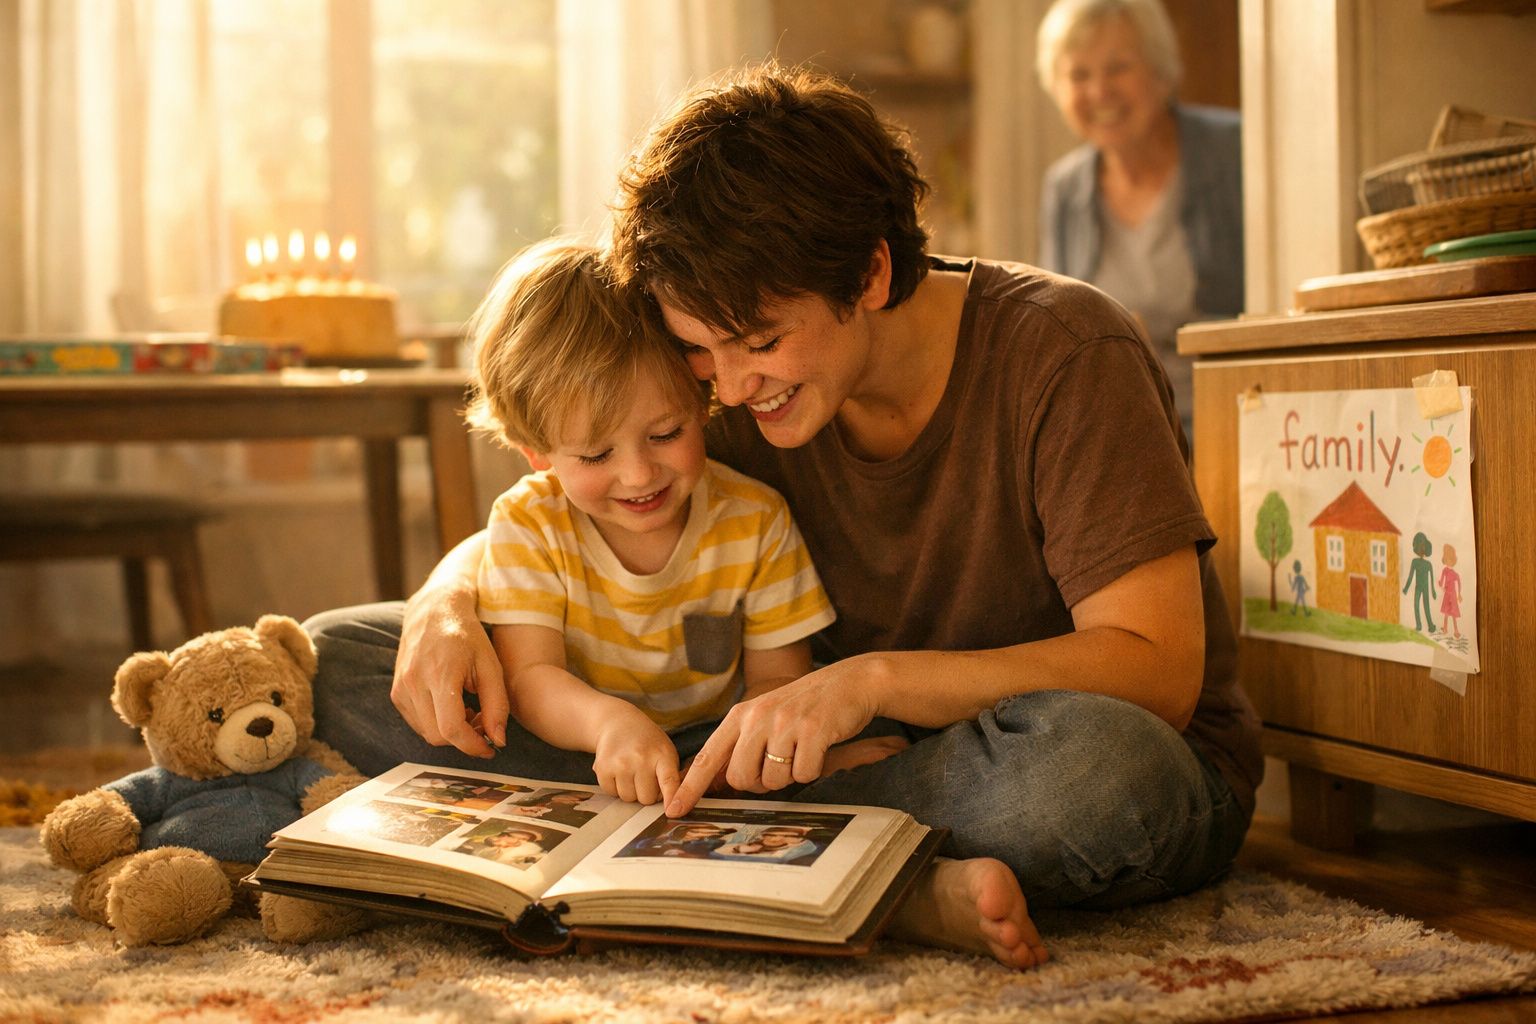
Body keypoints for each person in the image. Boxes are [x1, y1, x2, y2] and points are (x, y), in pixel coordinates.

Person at [307, 63, 1262, 971]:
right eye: (699, 351)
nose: (726, 384)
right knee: (346, 654)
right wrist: (447, 597)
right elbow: (574, 510)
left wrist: (870, 683)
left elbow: (1159, 673)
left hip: (1014, 759)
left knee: (1094, 778)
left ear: (873, 275)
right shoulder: (732, 377)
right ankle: (845, 872)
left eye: (759, 342)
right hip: (766, 753)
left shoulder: (1064, 351)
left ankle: (703, 849)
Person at [463, 238, 872, 807]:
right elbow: (530, 678)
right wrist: (610, 726)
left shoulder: (754, 519)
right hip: (583, 742)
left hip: (717, 741)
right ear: (536, 452)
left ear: (703, 402)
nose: (638, 475)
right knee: (375, 673)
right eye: (595, 456)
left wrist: (752, 752)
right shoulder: (530, 522)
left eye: (665, 435)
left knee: (850, 745)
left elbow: (779, 682)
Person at [1036, 0, 1244, 442]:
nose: (1099, 91)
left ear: (1160, 71)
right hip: (1118, 428)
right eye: (1079, 75)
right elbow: (1051, 330)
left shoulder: (1234, 151)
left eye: (1117, 68)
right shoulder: (1064, 188)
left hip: (1233, 414)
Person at [1438, 543, 1462, 638]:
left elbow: (1458, 583)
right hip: (1449, 595)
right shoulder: (1448, 571)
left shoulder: (1452, 573)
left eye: (1449, 559)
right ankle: (1446, 629)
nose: (1447, 561)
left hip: (1451, 595)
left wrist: (1459, 594)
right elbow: (1442, 582)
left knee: (1451, 614)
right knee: (1448, 613)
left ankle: (1454, 630)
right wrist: (1441, 585)